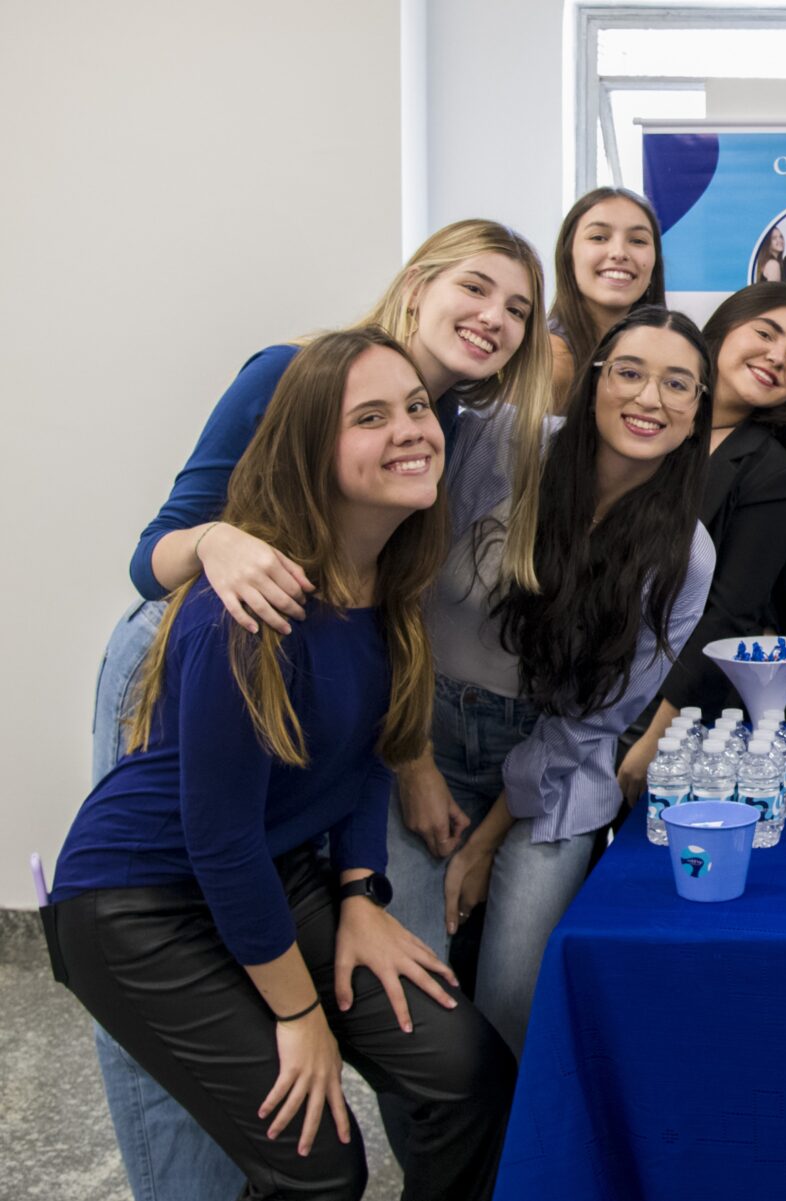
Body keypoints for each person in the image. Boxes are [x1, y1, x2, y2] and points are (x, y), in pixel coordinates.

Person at [88, 218, 550, 1201]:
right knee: (268, 1108)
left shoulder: (436, 453)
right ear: (419, 282)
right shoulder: (289, 375)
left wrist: (361, 886)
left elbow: (368, 707)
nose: (496, 318)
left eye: (518, 308)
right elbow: (152, 558)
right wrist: (219, 546)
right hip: (193, 653)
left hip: (315, 701)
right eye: (477, 288)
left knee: (447, 1055)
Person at [386, 306, 715, 1054]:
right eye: (629, 372)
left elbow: (590, 723)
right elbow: (395, 595)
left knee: (512, 1002)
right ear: (594, 381)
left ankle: (511, 1170)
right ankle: (445, 1176)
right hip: (417, 735)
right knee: (413, 1004)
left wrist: (482, 844)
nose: (649, 399)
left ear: (697, 414)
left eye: (677, 385)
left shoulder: (684, 556)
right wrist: (413, 763)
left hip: (549, 774)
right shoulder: (498, 446)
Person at [616, 283, 786, 796]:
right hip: (598, 682)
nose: (778, 357)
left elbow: (729, 615)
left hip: (685, 707)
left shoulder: (774, 474)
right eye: (765, 333)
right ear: (723, 329)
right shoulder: (644, 420)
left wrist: (660, 733)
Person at [548, 187, 667, 402]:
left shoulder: (667, 354)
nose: (619, 253)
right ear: (568, 256)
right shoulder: (550, 360)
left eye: (638, 241)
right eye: (599, 237)